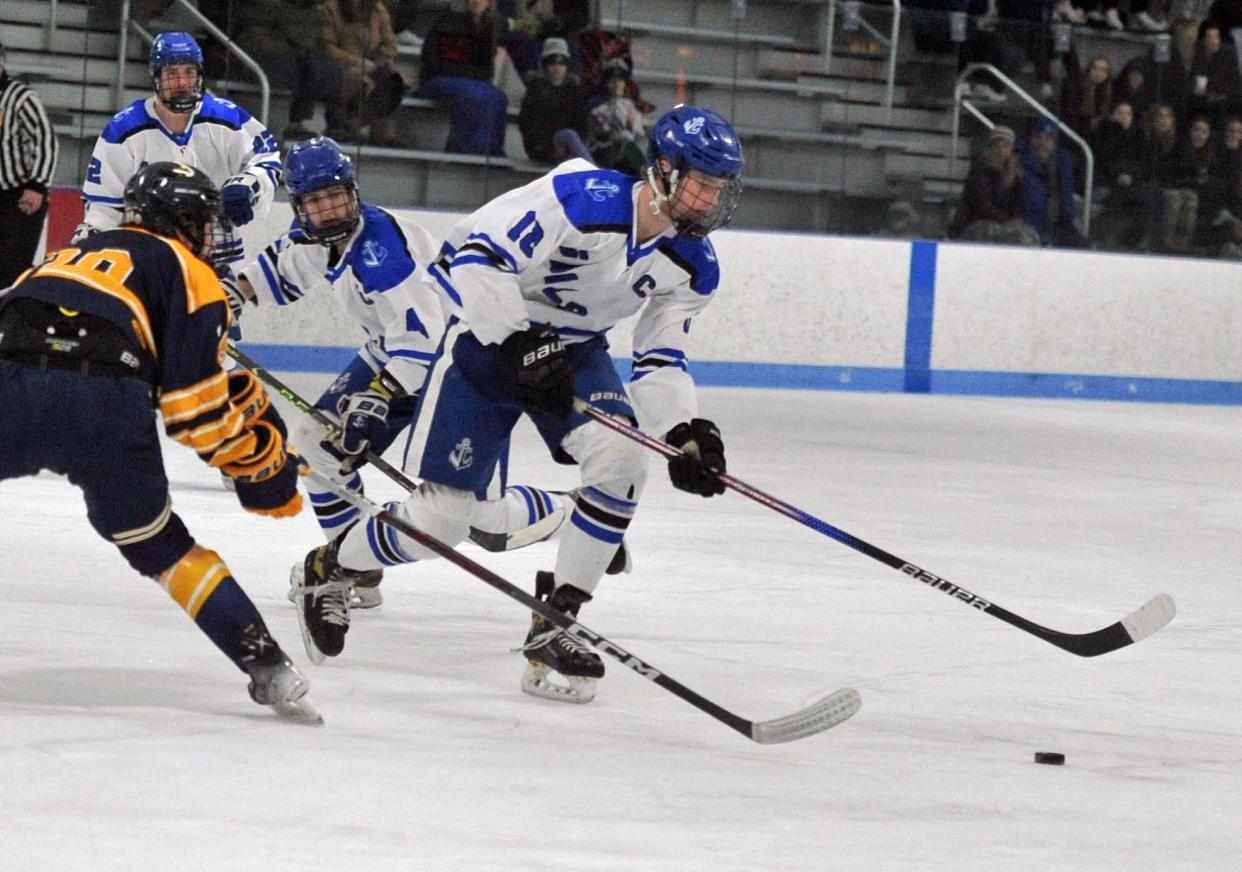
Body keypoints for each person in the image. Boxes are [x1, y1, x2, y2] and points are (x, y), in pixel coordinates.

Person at [288, 105, 743, 706]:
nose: (711, 200)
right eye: (700, 182)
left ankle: (556, 623)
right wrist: (519, 341)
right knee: (441, 525)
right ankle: (328, 568)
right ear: (662, 170)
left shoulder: (692, 264)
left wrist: (684, 430)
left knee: (624, 464)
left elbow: (661, 357)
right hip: (482, 343)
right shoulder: (580, 199)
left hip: (575, 354)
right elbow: (472, 254)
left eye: (719, 188)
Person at [229, 136, 603, 611]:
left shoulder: (384, 255)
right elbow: (279, 267)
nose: (328, 209)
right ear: (299, 206)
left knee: (483, 522)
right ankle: (352, 567)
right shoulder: (318, 238)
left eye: (335, 196)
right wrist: (230, 296)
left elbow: (426, 340)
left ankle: (581, 514)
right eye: (315, 201)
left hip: (459, 363)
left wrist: (378, 395)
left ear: (352, 191)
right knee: (317, 444)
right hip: (395, 355)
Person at [0, 162, 317, 722]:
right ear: (181, 221)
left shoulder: (65, 255)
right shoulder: (189, 271)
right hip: (104, 406)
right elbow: (194, 414)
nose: (210, 234)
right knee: (162, 548)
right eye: (203, 221)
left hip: (11, 385)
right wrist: (260, 464)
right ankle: (269, 668)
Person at [72, 32, 283, 276]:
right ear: (156, 78)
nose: (182, 83)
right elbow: (104, 208)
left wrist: (251, 182)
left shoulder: (227, 118)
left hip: (220, 262)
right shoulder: (124, 131)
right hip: (153, 265)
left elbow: (267, 156)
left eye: (189, 73)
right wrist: (92, 243)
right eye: (172, 74)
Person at [0, 38, 59, 289]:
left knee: (13, 269)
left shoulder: (21, 97)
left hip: (17, 197)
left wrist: (37, 186)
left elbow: (45, 141)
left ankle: (9, 324)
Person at [418, 0, 510, 156]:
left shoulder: (490, 28)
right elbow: (434, 60)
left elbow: (487, 69)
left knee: (499, 98)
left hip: (472, 80)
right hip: (440, 78)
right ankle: (463, 151)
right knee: (472, 95)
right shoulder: (448, 21)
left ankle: (492, 152)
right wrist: (467, 72)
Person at [320, 0, 409, 147]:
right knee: (359, 78)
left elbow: (390, 46)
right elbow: (326, 47)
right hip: (342, 66)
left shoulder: (378, 9)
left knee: (393, 79)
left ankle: (380, 132)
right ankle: (345, 125)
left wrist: (379, 59)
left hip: (373, 65)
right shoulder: (331, 8)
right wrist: (356, 61)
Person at [947, 126, 1039, 244]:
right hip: (974, 223)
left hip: (1000, 223)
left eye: (1006, 146)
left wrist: (1016, 220)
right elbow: (982, 205)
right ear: (990, 147)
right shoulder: (979, 169)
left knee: (1030, 235)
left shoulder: (1014, 173)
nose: (1001, 151)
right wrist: (1006, 221)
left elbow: (1014, 204)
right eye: (997, 145)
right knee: (1002, 233)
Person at [518, 37, 593, 165]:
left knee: (571, 136)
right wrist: (541, 146)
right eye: (552, 63)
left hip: (568, 148)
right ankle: (594, 173)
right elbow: (527, 123)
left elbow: (582, 122)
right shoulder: (536, 89)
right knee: (568, 135)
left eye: (561, 63)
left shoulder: (574, 90)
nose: (557, 68)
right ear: (545, 66)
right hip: (542, 148)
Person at [1017, 117, 1086, 247]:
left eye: (1048, 139)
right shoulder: (1020, 164)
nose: (1042, 143)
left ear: (1054, 143)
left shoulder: (1061, 165)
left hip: (1056, 228)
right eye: (1038, 137)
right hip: (1028, 228)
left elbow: (1066, 201)